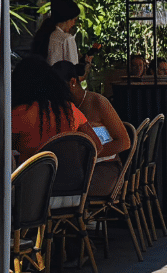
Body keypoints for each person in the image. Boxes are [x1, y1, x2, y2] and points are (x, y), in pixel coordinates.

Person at [55, 61, 130, 196]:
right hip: (75, 170)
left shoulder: (97, 102)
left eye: (57, 87)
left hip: (105, 168)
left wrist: (88, 156)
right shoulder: (60, 108)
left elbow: (124, 142)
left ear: (72, 82)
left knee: (66, 189)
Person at [12, 55, 103, 159]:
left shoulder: (20, 113)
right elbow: (97, 146)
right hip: (70, 174)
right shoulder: (69, 109)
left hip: (31, 174)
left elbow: (2, 147)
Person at [31, 0, 90, 74]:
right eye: (74, 20)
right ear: (68, 19)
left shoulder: (46, 35)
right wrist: (87, 65)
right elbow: (74, 75)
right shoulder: (67, 39)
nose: (73, 24)